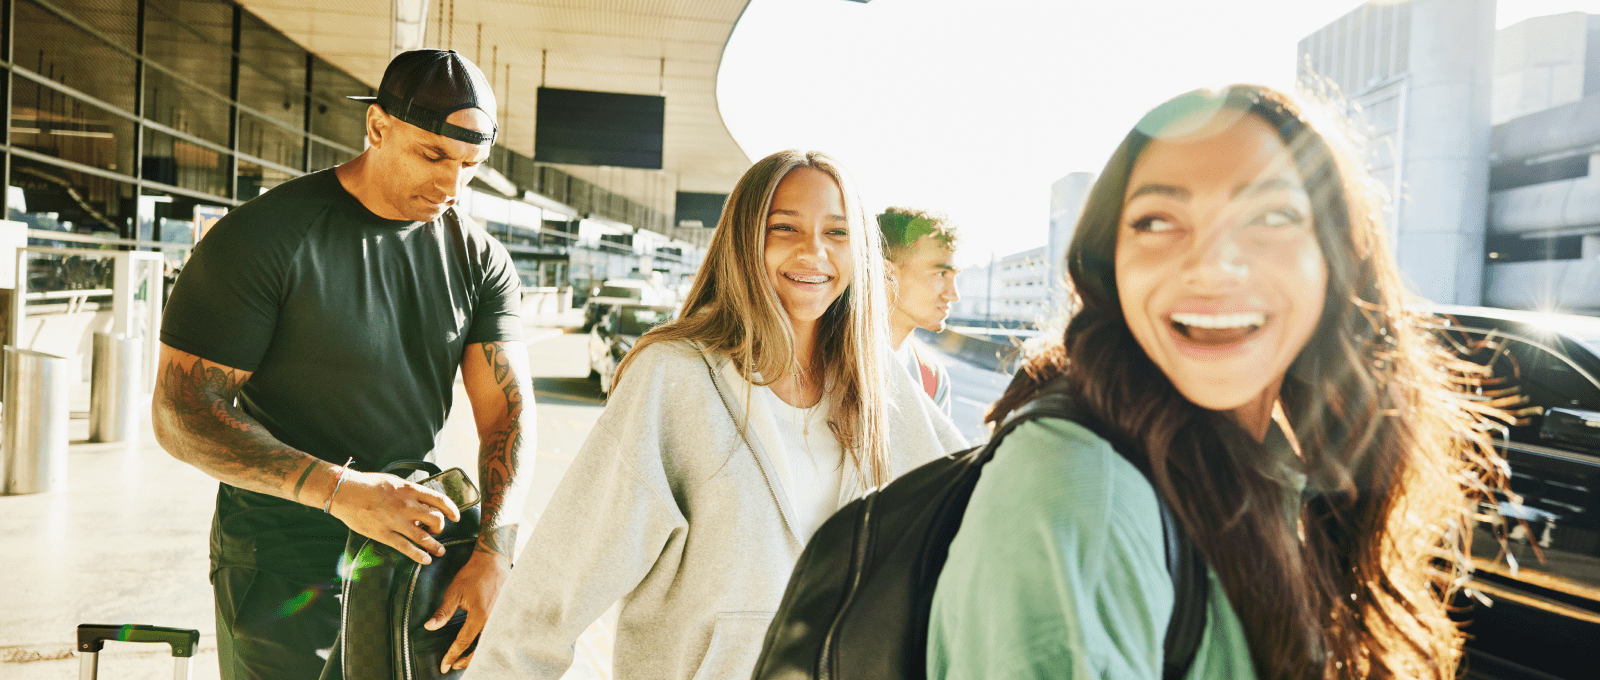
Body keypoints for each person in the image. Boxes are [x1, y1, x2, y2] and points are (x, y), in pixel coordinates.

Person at [927, 85, 1502, 679]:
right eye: (1157, 220)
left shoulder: (1274, 462)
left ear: (1334, 257)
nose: (1212, 263)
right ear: (1110, 263)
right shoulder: (1077, 491)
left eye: (1271, 216)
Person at [468, 150, 967, 680]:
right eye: (784, 227)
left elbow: (972, 527)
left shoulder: (879, 386)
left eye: (837, 233)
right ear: (744, 240)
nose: (813, 252)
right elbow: (558, 585)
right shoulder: (675, 378)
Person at [152, 49, 533, 679]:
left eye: (470, 166)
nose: (451, 184)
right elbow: (182, 413)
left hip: (410, 554)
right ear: (377, 127)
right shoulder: (264, 236)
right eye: (432, 155)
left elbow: (509, 416)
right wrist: (340, 491)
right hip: (279, 556)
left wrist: (494, 554)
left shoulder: (479, 257)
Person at [878, 207, 961, 414]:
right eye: (940, 274)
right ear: (886, 273)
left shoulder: (932, 377)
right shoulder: (816, 358)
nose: (953, 295)